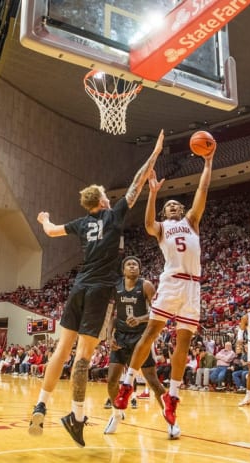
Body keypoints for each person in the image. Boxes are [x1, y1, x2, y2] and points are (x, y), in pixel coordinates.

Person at [28, 131, 164, 447]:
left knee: (62, 349)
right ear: (102, 201)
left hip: (78, 286)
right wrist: (155, 152)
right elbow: (138, 182)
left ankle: (41, 404)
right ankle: (76, 417)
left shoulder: (79, 223)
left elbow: (50, 230)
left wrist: (44, 219)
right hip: (100, 290)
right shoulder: (114, 214)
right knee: (84, 358)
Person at [114, 141, 215, 438]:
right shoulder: (161, 228)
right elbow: (147, 223)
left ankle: (171, 398)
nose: (171, 207)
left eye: (174, 205)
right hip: (171, 282)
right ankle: (127, 384)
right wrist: (153, 192)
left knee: (182, 343)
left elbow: (202, 192)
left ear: (181, 210)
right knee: (151, 334)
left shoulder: (191, 221)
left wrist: (208, 164)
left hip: (193, 287)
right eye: (167, 206)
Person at [103, 256, 168, 435]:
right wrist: (109, 336)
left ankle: (169, 418)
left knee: (153, 382)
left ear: (139, 269)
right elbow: (113, 316)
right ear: (123, 270)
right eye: (128, 264)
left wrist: (139, 319)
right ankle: (116, 414)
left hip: (141, 338)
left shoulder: (145, 285)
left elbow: (158, 312)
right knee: (111, 380)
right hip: (121, 338)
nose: (132, 267)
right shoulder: (116, 287)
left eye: (135, 265)